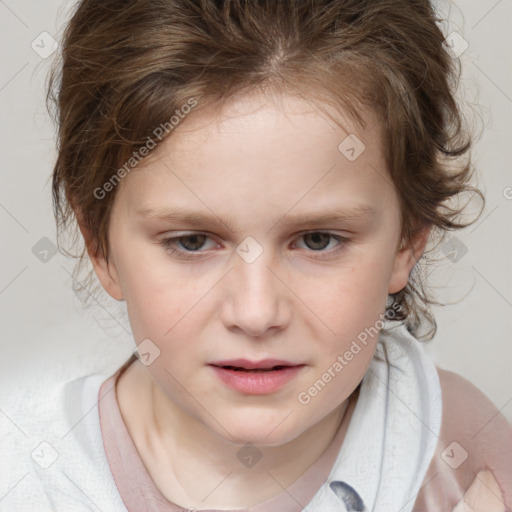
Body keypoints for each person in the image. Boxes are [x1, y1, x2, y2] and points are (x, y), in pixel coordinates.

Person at [1, 1, 511, 511]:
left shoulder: (456, 458)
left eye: (318, 240)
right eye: (192, 242)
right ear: (99, 244)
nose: (256, 312)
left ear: (409, 239)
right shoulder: (26, 478)